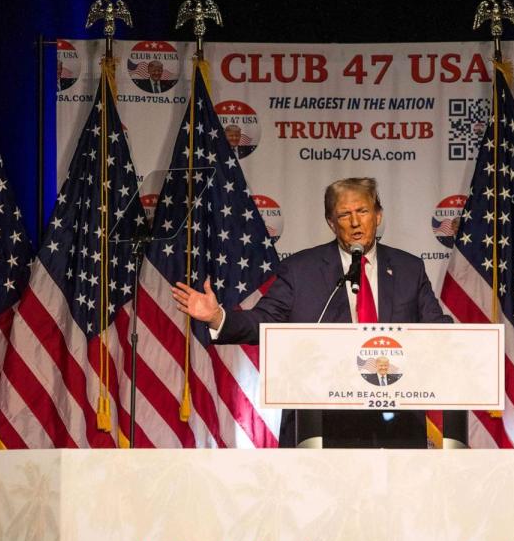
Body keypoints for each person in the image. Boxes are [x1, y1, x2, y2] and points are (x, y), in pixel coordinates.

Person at [173, 177, 451, 447]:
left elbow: (436, 330)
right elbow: (263, 321)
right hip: (321, 421)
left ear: (378, 215)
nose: (355, 222)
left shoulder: (408, 269)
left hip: (395, 418)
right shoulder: (300, 270)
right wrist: (218, 317)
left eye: (363, 211)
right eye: (344, 215)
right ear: (331, 223)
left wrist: (460, 338)